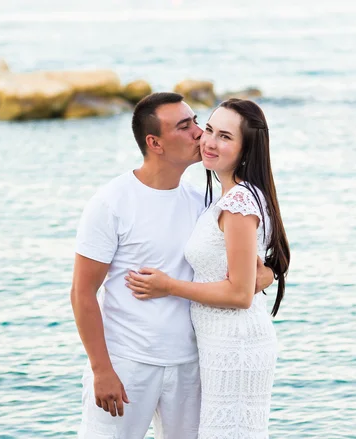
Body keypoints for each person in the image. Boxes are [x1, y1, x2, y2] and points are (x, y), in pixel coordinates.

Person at [70, 92, 274, 439]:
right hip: (127, 362)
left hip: (192, 364)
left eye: (197, 122)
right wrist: (101, 369)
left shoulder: (204, 202)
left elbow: (249, 267)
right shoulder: (111, 202)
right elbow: (81, 293)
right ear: (155, 143)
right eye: (186, 126)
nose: (200, 134)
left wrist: (262, 276)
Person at [126, 98, 290, 438]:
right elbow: (253, 272)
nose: (210, 142)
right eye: (210, 129)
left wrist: (168, 286)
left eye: (225, 137)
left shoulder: (238, 203)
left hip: (237, 342)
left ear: (246, 149)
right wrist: (265, 275)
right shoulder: (231, 197)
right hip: (219, 341)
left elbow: (240, 294)